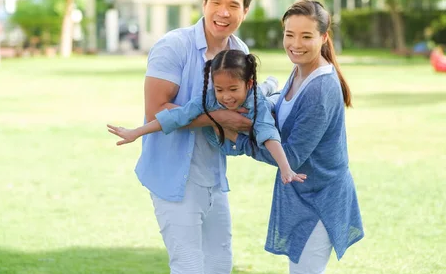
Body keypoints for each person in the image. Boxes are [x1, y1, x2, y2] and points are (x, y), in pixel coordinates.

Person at [222, 0, 364, 274]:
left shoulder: (320, 88)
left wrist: (236, 137)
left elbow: (293, 156)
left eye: (306, 36)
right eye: (289, 34)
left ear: (324, 38)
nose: (295, 44)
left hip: (321, 198)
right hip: (303, 194)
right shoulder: (300, 71)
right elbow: (280, 107)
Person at [131, 0, 255, 274]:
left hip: (212, 177)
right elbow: (156, 110)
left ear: (245, 11)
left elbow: (245, 113)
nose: (223, 12)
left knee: (218, 267)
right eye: (215, 2)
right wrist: (217, 117)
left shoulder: (240, 52)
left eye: (233, 5)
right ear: (204, 3)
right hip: (173, 177)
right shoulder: (173, 46)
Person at [107, 49, 306, 184]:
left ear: (248, 84)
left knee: (268, 98)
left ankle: (270, 85)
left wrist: (285, 168)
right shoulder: (207, 100)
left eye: (233, 89)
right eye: (220, 89)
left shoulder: (257, 103)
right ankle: (269, 84)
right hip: (238, 121)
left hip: (258, 102)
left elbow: (269, 135)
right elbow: (176, 117)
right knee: (262, 93)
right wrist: (136, 132)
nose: (226, 96)